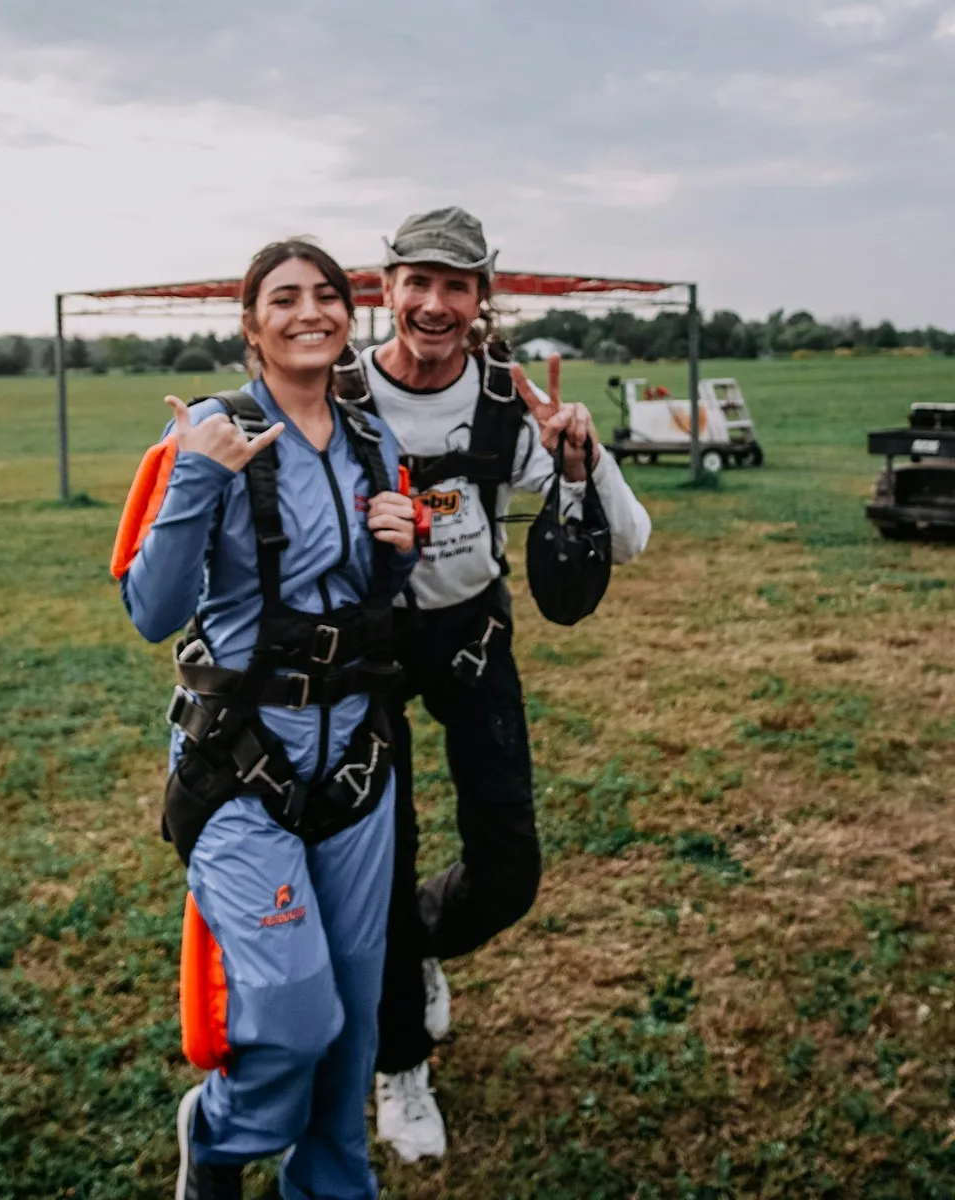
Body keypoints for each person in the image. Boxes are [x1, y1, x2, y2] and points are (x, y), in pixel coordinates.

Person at [332, 207, 653, 1162]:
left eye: (456, 286)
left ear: (481, 299)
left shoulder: (512, 404)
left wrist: (580, 461)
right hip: (365, 659)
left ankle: (425, 941)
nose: (433, 305)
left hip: (473, 643)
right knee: (378, 872)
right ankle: (401, 1066)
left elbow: (630, 541)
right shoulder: (336, 393)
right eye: (416, 282)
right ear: (384, 288)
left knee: (509, 870)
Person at [111, 240, 419, 1200]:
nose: (309, 312)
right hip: (240, 763)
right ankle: (218, 1139)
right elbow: (152, 612)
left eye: (327, 295)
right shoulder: (207, 430)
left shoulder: (375, 444)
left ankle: (331, 1185)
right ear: (252, 326)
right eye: (283, 299)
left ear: (348, 316)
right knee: (293, 1015)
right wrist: (197, 476)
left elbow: (367, 603)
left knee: (354, 1020)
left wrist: (398, 553)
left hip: (358, 765)